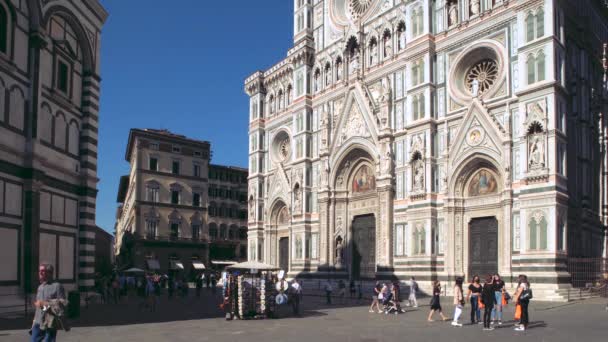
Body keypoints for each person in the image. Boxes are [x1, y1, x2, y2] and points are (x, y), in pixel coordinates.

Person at [30, 264, 68, 342]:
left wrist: (44, 304)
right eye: (39, 271)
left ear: (50, 273)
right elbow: (39, 307)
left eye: (43, 271)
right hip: (38, 321)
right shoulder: (40, 287)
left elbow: (63, 304)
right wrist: (33, 322)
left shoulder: (57, 286)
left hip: (50, 322)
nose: (40, 273)